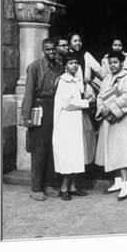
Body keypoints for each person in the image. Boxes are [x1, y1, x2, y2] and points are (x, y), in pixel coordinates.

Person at [20, 38, 64, 201]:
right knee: (39, 149)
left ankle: (49, 184)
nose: (51, 52)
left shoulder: (60, 67)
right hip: (39, 107)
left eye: (53, 49)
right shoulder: (34, 67)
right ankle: (36, 187)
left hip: (56, 108)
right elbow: (29, 92)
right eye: (48, 49)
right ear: (43, 50)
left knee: (53, 148)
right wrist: (26, 116)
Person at [95, 51, 127, 201]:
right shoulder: (107, 78)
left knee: (122, 150)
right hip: (108, 118)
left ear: (121, 63)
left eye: (115, 62)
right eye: (110, 63)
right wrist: (102, 108)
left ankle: (125, 184)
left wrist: (111, 109)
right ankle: (117, 181)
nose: (113, 65)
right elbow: (100, 96)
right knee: (111, 149)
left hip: (122, 120)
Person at [52, 52, 95, 201]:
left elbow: (77, 98)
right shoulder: (63, 81)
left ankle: (73, 186)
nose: (74, 65)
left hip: (75, 121)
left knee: (76, 154)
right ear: (65, 65)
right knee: (68, 155)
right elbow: (68, 104)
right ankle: (64, 188)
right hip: (65, 122)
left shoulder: (76, 80)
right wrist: (86, 103)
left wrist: (87, 98)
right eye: (71, 63)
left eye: (76, 62)